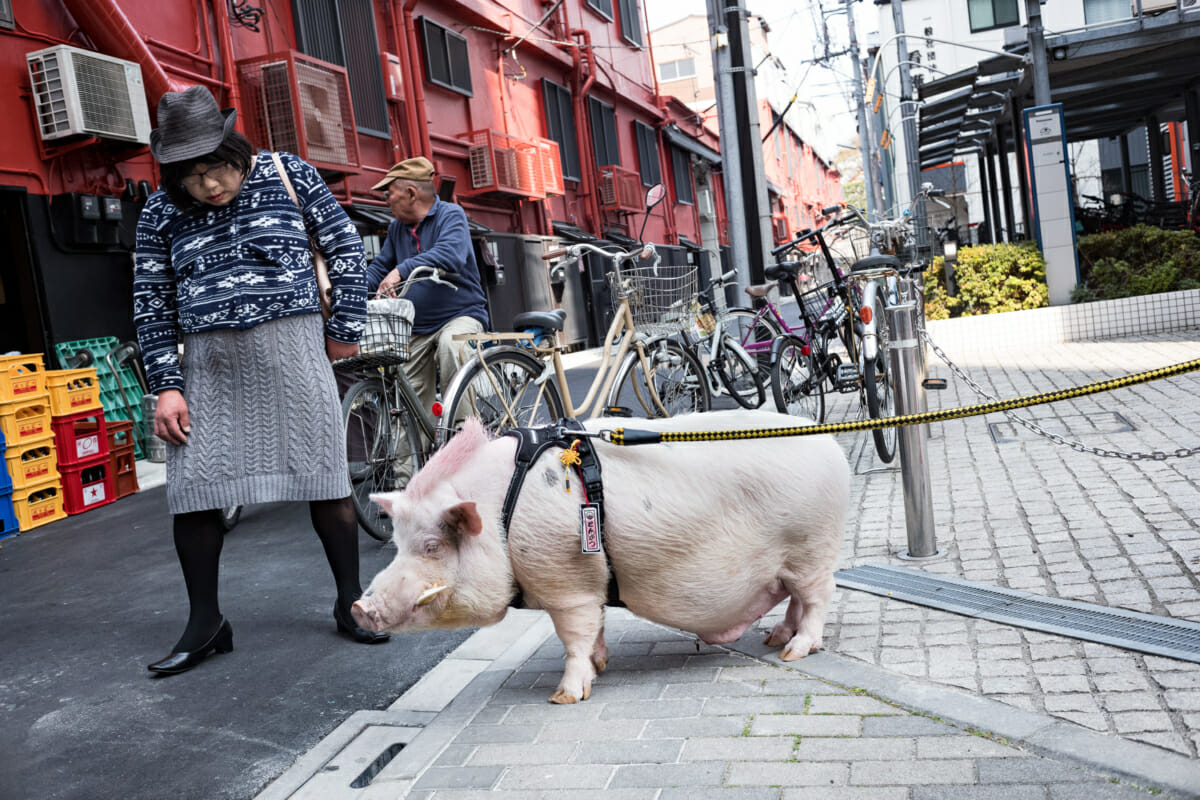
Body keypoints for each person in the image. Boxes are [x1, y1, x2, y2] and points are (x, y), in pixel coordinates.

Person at [133, 85, 388, 677]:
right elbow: (151, 300)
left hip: (295, 352)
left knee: (326, 481)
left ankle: (350, 599)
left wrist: (346, 326)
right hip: (207, 367)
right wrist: (167, 385)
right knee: (195, 490)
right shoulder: (159, 212)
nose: (211, 185)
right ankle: (206, 624)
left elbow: (345, 247)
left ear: (235, 148)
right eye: (192, 176)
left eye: (218, 167)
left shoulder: (287, 173)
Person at [366, 157, 489, 413]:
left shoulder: (450, 215)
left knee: (451, 346)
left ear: (411, 193)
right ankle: (408, 452)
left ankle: (463, 436)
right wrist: (350, 289)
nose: (386, 200)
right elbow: (379, 267)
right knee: (405, 392)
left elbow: (451, 254)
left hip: (460, 316)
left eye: (389, 193)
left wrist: (400, 270)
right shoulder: (396, 229)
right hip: (416, 327)